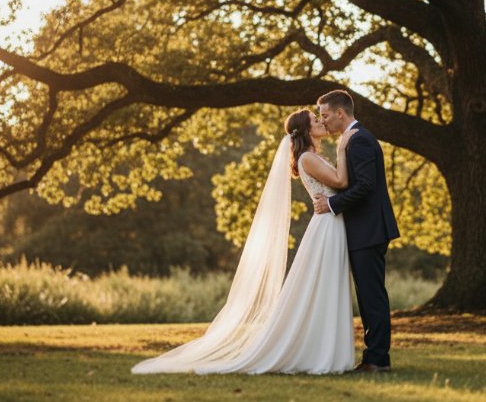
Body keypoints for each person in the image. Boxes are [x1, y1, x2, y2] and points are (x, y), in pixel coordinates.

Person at [131, 109, 356, 374]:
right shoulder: (308, 157)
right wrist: (344, 147)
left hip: (330, 222)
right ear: (306, 131)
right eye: (315, 120)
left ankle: (325, 349)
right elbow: (341, 181)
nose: (321, 122)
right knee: (321, 286)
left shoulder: (312, 156)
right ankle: (318, 353)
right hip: (326, 226)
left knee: (327, 286)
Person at [313, 89, 401, 373]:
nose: (322, 121)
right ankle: (375, 357)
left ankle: (377, 360)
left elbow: (365, 186)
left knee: (372, 295)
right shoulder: (350, 139)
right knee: (368, 295)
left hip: (369, 229)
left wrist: (331, 203)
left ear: (341, 113)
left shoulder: (359, 139)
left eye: (325, 115)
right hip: (363, 229)